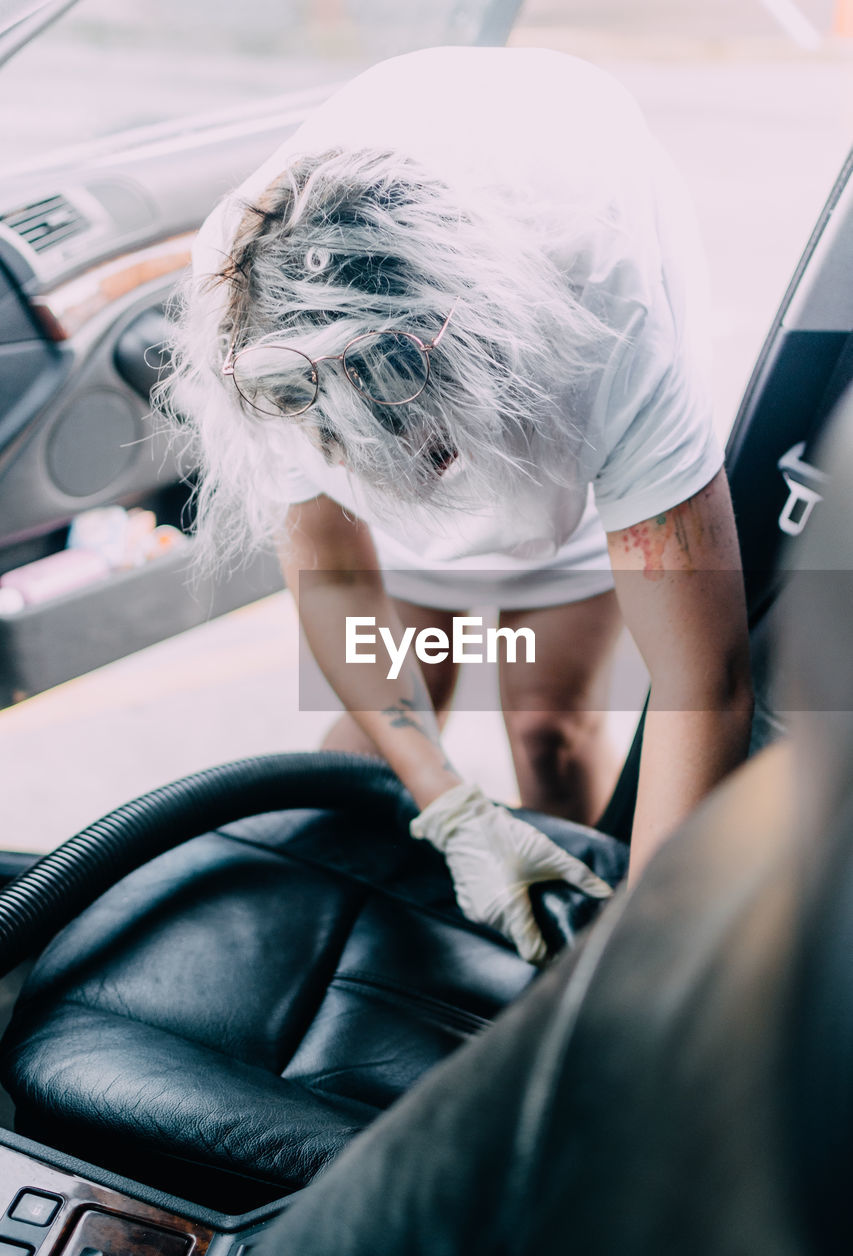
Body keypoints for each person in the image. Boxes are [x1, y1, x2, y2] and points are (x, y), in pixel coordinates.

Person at [160, 46, 753, 962]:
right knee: (386, 703)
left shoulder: (613, 314)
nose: (427, 482)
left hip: (547, 347)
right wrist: (448, 805)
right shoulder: (252, 322)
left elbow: (700, 682)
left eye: (435, 453)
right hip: (393, 340)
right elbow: (333, 579)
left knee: (547, 719)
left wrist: (644, 973)